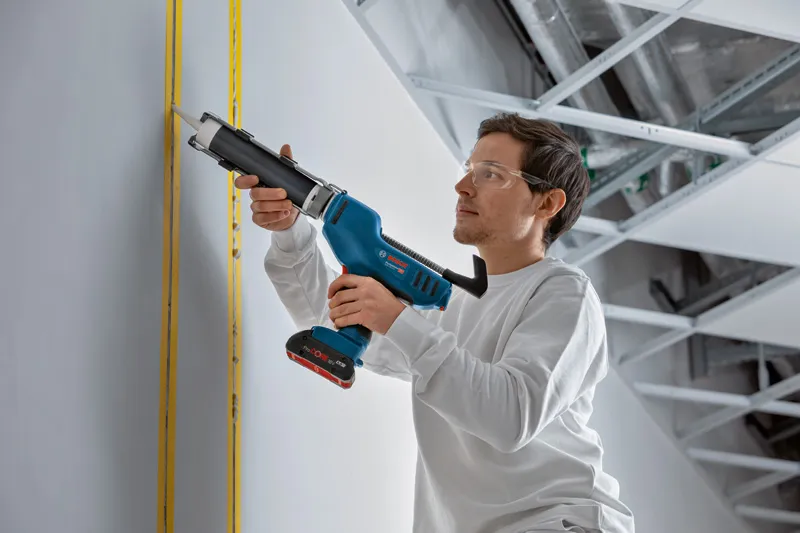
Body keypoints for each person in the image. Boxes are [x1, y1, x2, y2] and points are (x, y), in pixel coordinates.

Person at [234, 112, 635, 533]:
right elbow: (327, 317)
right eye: (469, 171)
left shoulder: (563, 293)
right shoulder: (453, 304)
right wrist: (290, 231)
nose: (463, 187)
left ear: (547, 203)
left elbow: (510, 416)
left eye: (491, 174)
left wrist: (397, 318)